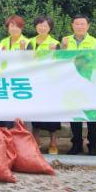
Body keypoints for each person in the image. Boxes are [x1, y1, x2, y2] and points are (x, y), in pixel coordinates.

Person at [61, 14, 96, 155]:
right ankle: (76, 145)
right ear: (72, 25)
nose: (80, 26)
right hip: (71, 84)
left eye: (82, 24)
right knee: (75, 116)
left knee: (92, 117)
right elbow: (59, 59)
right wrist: (63, 47)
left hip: (90, 84)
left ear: (88, 26)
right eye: (77, 24)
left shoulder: (95, 41)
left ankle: (93, 146)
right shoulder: (66, 40)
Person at [27, 15, 61, 154]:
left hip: (50, 82)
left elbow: (60, 63)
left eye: (45, 26)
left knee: (52, 112)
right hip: (34, 81)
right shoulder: (29, 42)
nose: (42, 28)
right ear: (36, 26)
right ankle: (36, 139)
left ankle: (53, 142)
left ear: (50, 28)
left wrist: (53, 53)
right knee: (35, 111)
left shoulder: (55, 43)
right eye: (40, 25)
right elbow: (24, 60)